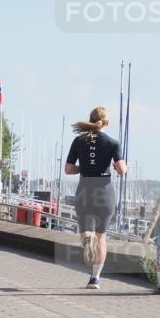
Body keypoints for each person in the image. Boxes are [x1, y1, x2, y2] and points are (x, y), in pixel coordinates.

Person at [64, 106, 127, 289]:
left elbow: (68, 170)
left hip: (85, 188)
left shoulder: (78, 141)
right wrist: (120, 167)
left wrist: (82, 168)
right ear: (106, 123)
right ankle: (95, 278)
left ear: (90, 120)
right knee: (102, 237)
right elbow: (121, 170)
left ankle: (87, 241)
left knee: (87, 230)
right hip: (104, 189)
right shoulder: (113, 143)